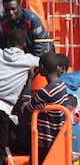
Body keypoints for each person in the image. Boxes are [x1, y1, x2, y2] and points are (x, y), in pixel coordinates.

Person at [0, 28, 40, 165]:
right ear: (24, 45)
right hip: (3, 109)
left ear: (7, 42)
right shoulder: (28, 60)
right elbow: (49, 62)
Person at [21, 52, 68, 164]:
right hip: (55, 140)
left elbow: (24, 108)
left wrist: (30, 81)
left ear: (42, 67)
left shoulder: (46, 92)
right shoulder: (62, 86)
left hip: (44, 143)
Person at [57, 53, 80, 165]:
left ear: (62, 69)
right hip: (75, 146)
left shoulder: (58, 87)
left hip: (61, 146)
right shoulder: (78, 90)